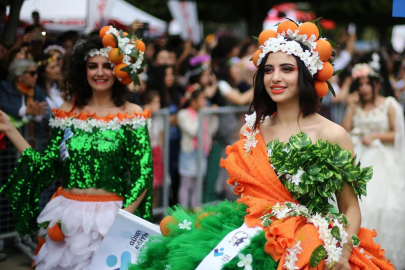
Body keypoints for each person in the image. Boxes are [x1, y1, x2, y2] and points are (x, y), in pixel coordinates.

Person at [129, 20, 394, 270]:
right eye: (268, 69)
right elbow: (248, 199)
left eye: (286, 69)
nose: (275, 78)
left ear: (306, 74)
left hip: (308, 244)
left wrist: (343, 250)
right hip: (251, 240)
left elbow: (350, 207)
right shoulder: (252, 130)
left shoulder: (332, 133)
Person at [0, 27, 153, 270]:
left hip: (111, 219)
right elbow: (47, 165)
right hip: (66, 217)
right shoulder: (66, 111)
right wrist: (9, 128)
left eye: (107, 65)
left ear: (118, 70)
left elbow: (143, 175)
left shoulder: (132, 114)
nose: (100, 72)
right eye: (93, 66)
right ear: (83, 71)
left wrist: (121, 221)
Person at [341, 63, 405, 267]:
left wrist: (376, 135)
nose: (364, 88)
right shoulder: (357, 106)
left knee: (383, 205)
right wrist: (351, 107)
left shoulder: (390, 104)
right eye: (360, 84)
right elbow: (344, 130)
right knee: (358, 204)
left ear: (377, 84)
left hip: (383, 161)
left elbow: (398, 134)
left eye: (368, 83)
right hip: (359, 158)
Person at [177, 85, 218, 209]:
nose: (204, 102)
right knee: (186, 185)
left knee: (197, 185)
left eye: (204, 99)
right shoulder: (183, 114)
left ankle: (195, 212)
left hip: (202, 152)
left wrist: (213, 115)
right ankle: (183, 213)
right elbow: (193, 131)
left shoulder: (204, 113)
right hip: (189, 153)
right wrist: (202, 114)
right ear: (193, 101)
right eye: (201, 99)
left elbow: (212, 130)